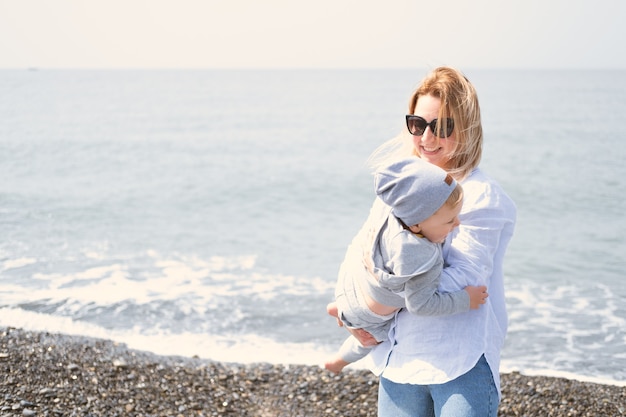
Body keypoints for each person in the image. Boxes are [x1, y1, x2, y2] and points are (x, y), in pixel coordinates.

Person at [345, 67, 517, 417]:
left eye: (443, 127)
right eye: (418, 124)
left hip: (461, 362)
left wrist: (377, 302)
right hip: (400, 359)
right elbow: (364, 254)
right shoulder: (403, 188)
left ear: (466, 128)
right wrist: (353, 313)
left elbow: (465, 278)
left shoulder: (482, 195)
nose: (427, 138)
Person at [325, 157, 488, 374]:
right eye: (450, 221)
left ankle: (340, 309)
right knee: (371, 340)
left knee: (359, 307)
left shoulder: (396, 214)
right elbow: (421, 306)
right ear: (417, 223)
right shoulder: (420, 257)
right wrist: (466, 299)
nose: (457, 224)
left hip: (350, 287)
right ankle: (338, 362)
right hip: (368, 315)